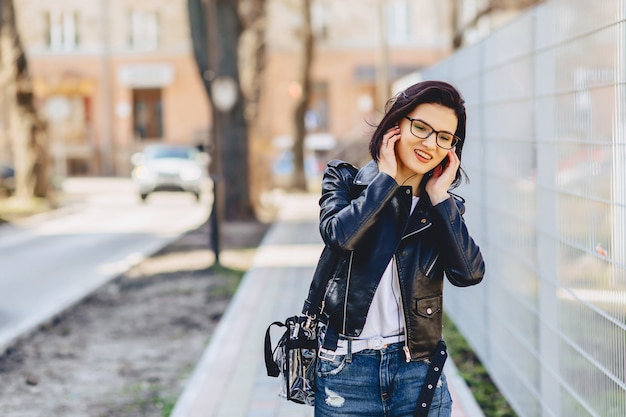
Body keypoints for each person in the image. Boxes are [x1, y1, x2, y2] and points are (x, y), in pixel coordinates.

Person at [313, 80, 485, 417]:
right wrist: (386, 181)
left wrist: (439, 198)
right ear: (396, 125)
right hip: (346, 372)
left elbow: (469, 273)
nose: (429, 143)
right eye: (421, 127)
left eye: (444, 137)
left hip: (416, 372)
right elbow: (339, 237)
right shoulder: (346, 181)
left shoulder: (441, 208)